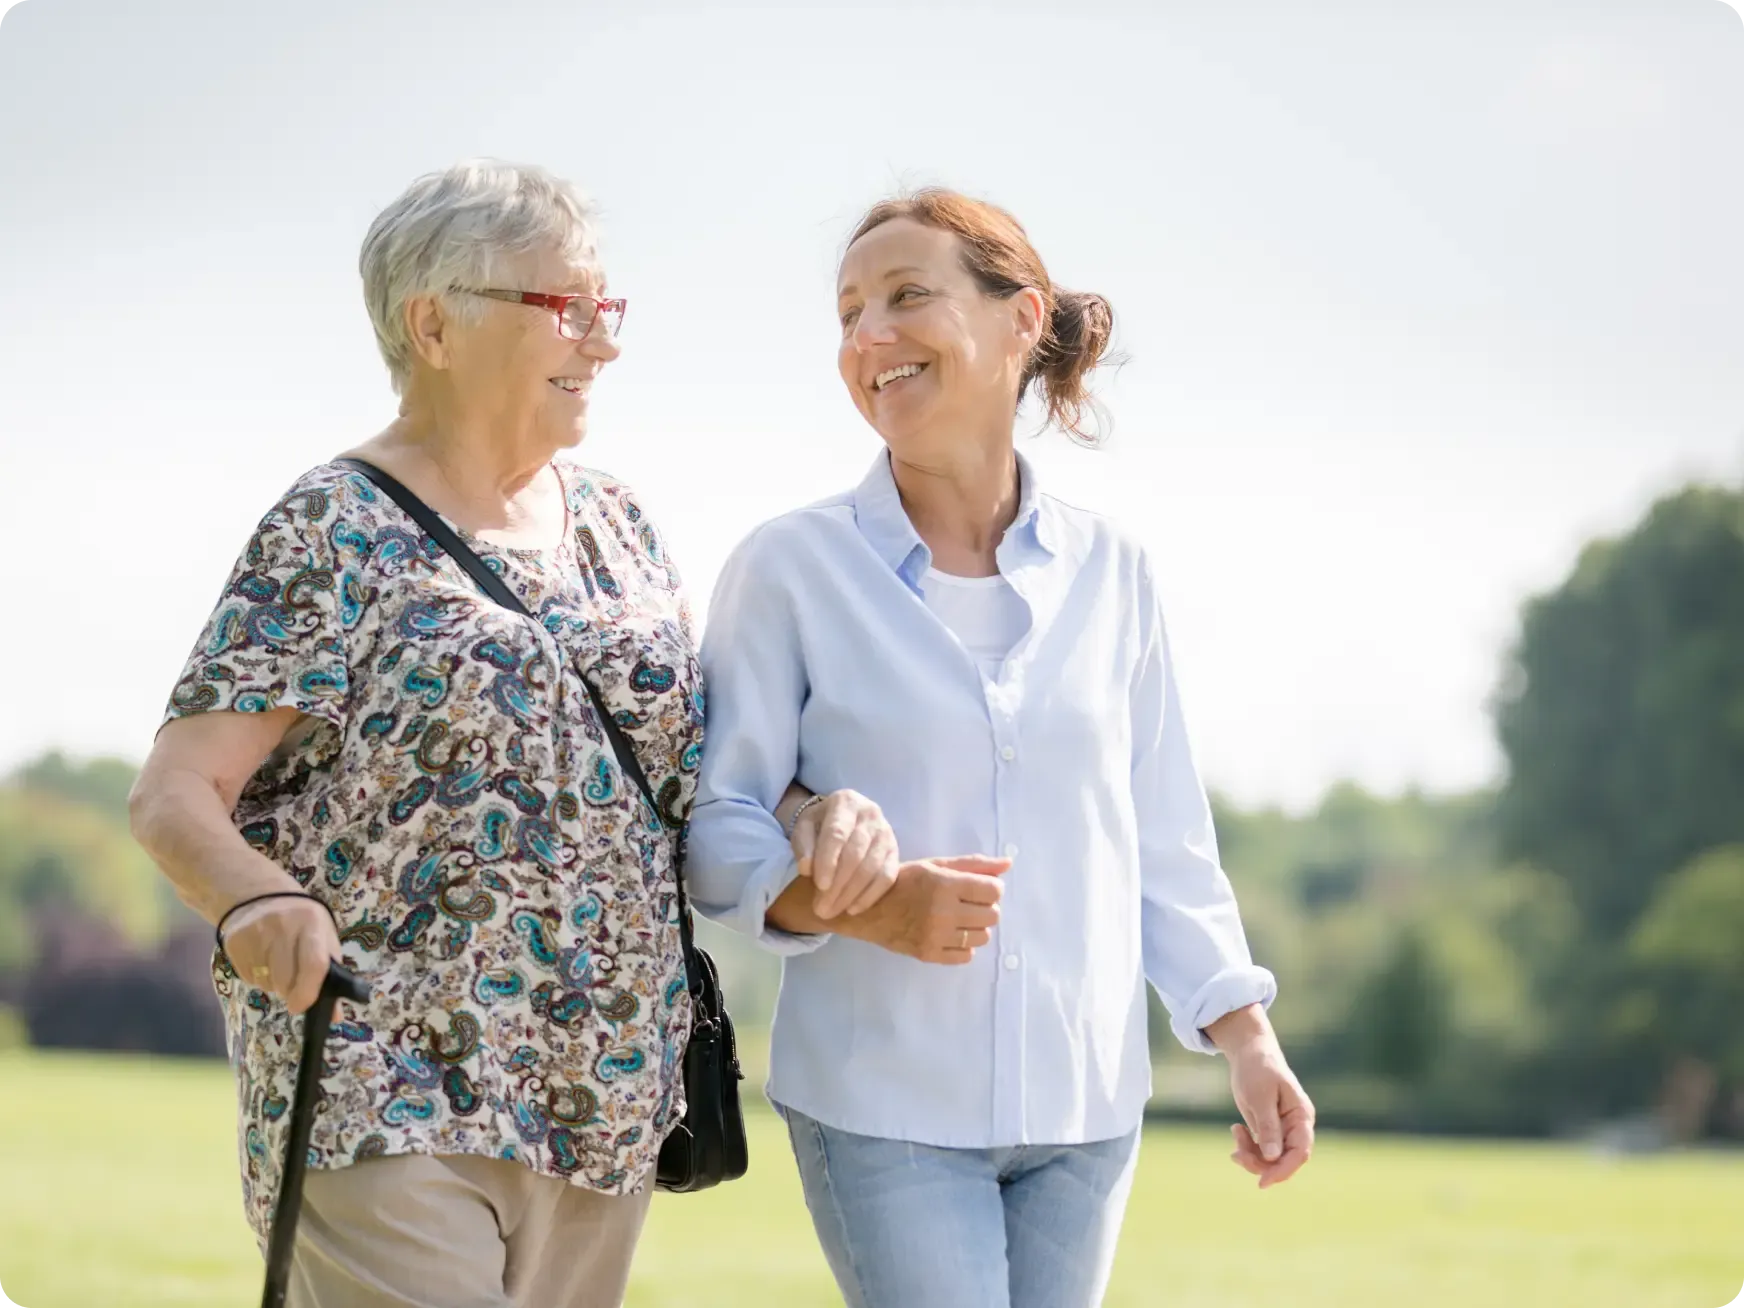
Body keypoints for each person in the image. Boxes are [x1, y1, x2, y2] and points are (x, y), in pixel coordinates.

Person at [127, 159, 886, 1308]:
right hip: (387, 1085)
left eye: (606, 308)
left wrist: (814, 815)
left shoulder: (619, 526)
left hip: (607, 1097)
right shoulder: (335, 526)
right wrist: (251, 896)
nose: (605, 341)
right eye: (567, 308)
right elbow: (177, 793)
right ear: (433, 323)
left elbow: (705, 772)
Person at [686, 188, 1316, 1308]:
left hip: (1087, 1111)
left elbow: (1162, 838)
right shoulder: (789, 569)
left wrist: (1245, 1036)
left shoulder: (1113, 571)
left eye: (906, 297)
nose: (866, 336)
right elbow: (717, 824)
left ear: (1021, 320)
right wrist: (845, 903)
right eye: (847, 313)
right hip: (883, 1107)